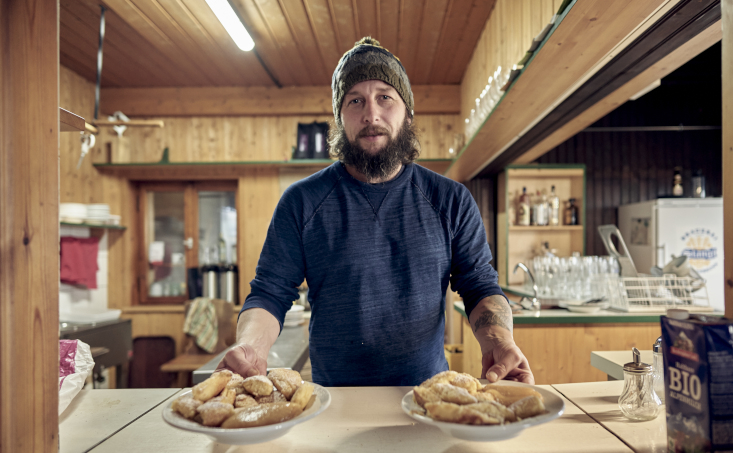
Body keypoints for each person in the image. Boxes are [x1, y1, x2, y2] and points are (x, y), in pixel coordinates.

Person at [218, 37, 534, 386]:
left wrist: (500, 342)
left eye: (385, 97)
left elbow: (478, 285)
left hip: (429, 398)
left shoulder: (451, 200)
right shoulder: (301, 202)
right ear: (340, 119)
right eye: (355, 101)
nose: (371, 114)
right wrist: (251, 346)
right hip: (334, 402)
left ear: (408, 112)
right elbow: (270, 292)